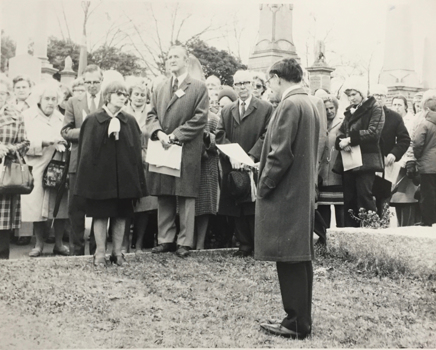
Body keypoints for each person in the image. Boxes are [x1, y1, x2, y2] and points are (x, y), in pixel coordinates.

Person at [257, 58, 320, 340]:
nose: (268, 87)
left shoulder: (289, 104)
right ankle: (300, 319)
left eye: (269, 81)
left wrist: (264, 185)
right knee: (300, 256)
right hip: (301, 191)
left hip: (287, 193)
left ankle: (295, 322)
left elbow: (280, 153)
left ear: (277, 78)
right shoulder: (308, 102)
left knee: (289, 257)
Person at [74, 80, 146, 266]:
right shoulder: (93, 120)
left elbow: (135, 152)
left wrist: (135, 178)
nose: (123, 97)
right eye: (118, 93)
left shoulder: (129, 121)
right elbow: (87, 153)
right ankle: (99, 253)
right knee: (100, 215)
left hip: (123, 179)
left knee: (121, 214)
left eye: (124, 94)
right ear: (107, 96)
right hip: (100, 179)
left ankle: (117, 252)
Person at [146, 45, 208, 258]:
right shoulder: (160, 87)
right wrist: (159, 133)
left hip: (186, 149)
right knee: (164, 193)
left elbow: (200, 119)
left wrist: (175, 135)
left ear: (186, 60)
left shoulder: (198, 87)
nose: (172, 60)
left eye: (176, 57)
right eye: (169, 56)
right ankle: (166, 240)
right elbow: (151, 115)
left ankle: (185, 242)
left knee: (185, 195)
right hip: (163, 147)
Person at [216, 70, 273, 257]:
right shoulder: (226, 110)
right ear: (234, 86)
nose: (242, 87)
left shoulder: (265, 108)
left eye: (246, 83)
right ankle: (244, 245)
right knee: (236, 204)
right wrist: (232, 156)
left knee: (253, 205)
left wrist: (250, 156)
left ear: (252, 84)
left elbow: (267, 135)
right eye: (238, 84)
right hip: (232, 165)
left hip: (254, 164)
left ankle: (257, 245)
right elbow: (220, 136)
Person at [21, 81, 70, 257]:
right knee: (37, 206)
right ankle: (39, 244)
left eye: (54, 99)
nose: (50, 102)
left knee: (59, 204)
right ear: (39, 99)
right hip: (37, 165)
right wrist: (45, 142)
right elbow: (23, 142)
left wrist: (64, 143)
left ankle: (59, 243)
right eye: (47, 98)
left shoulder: (61, 117)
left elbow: (67, 135)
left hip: (58, 165)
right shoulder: (27, 116)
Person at [61, 64, 104, 255]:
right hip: (78, 162)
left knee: (100, 208)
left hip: (103, 163)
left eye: (96, 82)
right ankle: (76, 251)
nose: (92, 86)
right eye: (88, 82)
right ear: (83, 82)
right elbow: (65, 131)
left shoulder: (108, 101)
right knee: (76, 209)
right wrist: (89, 130)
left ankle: (97, 249)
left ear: (101, 81)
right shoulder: (73, 102)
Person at [335, 76, 385, 227]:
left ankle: (371, 232)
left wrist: (349, 140)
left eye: (354, 94)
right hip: (350, 159)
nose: (351, 98)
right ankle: (350, 233)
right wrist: (341, 141)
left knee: (365, 196)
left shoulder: (375, 108)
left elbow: (373, 132)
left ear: (362, 93)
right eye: (349, 95)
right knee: (349, 199)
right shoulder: (350, 111)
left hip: (366, 159)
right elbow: (341, 131)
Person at [124, 78, 157, 252]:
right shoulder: (123, 111)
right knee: (126, 204)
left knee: (145, 204)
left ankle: (139, 242)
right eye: (136, 94)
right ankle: (124, 243)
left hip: (145, 161)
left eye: (142, 95)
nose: (139, 97)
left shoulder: (151, 113)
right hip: (126, 162)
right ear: (130, 96)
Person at [0, 75, 29, 259]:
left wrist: (10, 148)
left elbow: (25, 143)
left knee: (2, 222)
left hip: (6, 173)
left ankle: (3, 260)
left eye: (3, 93)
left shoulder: (16, 115)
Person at [372, 86, 410, 218]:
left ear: (385, 98)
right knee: (366, 201)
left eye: (381, 95)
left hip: (385, 167)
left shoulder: (394, 117)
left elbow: (404, 140)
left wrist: (394, 154)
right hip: (366, 166)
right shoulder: (364, 115)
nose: (378, 98)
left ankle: (382, 228)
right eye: (375, 95)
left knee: (383, 201)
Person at [389, 95, 420, 226]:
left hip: (407, 164)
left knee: (407, 198)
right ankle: (399, 225)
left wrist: (409, 161)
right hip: (393, 163)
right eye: (394, 104)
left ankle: (407, 226)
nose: (396, 107)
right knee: (396, 199)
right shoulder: (391, 119)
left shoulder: (411, 121)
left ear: (406, 107)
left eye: (399, 105)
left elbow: (411, 142)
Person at [317, 95, 345, 228]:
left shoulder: (343, 121)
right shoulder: (319, 122)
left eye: (331, 108)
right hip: (322, 171)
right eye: (326, 109)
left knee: (341, 210)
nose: (329, 112)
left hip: (338, 170)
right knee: (323, 208)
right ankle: (324, 240)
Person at [413, 90, 436, 226]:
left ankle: (428, 221)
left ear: (426, 109)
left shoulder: (425, 124)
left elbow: (417, 143)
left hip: (428, 166)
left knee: (427, 195)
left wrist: (418, 157)